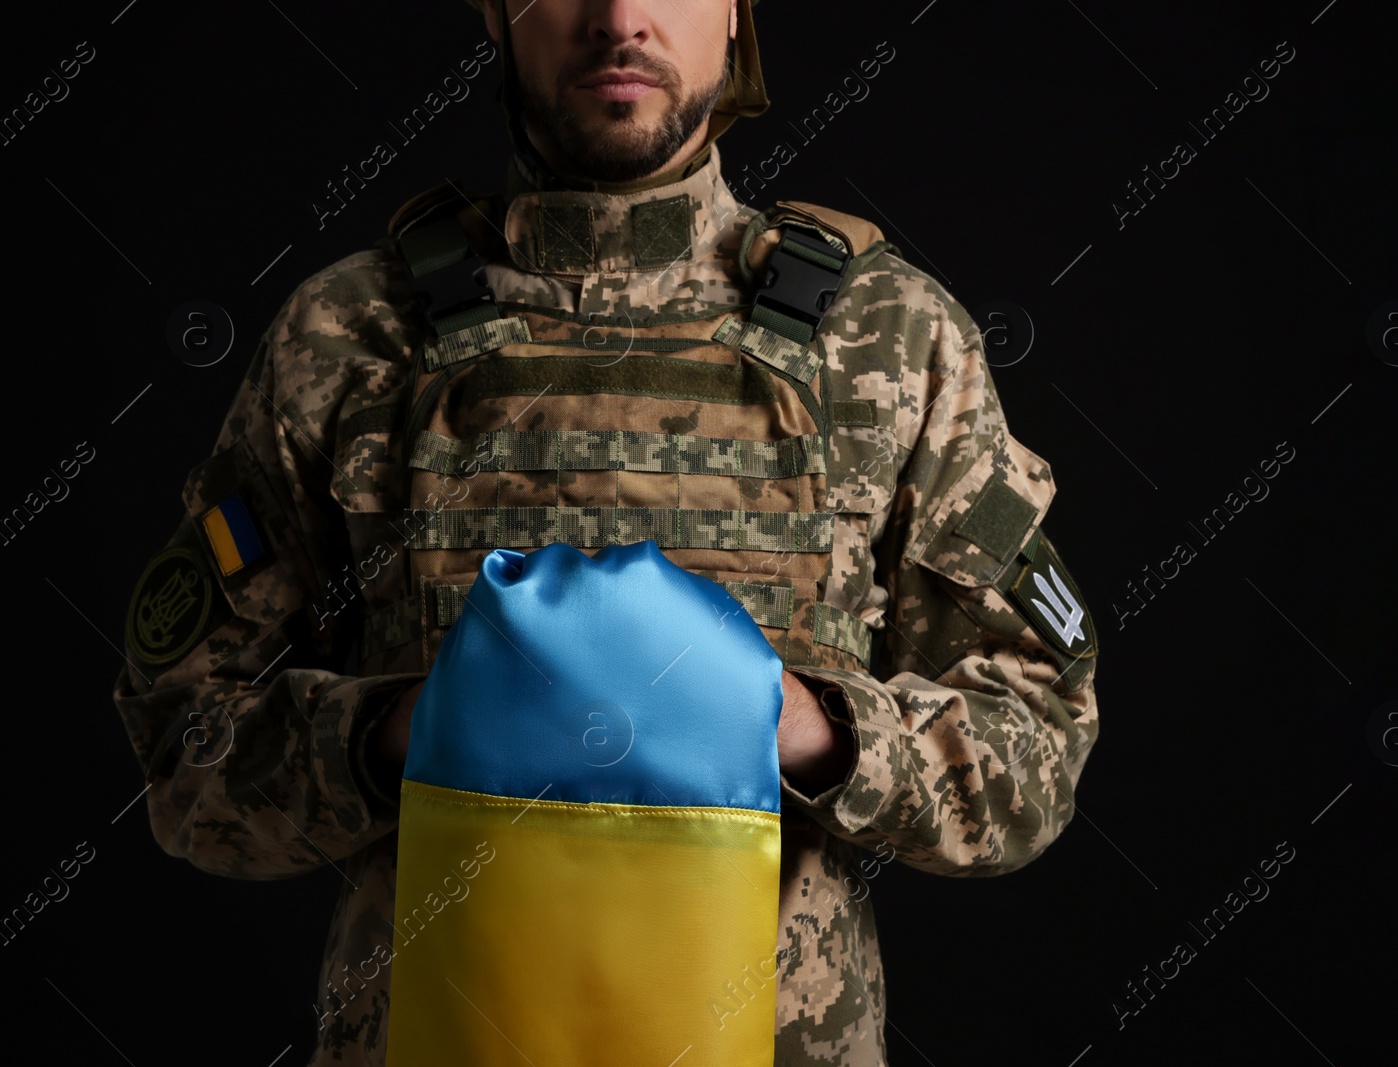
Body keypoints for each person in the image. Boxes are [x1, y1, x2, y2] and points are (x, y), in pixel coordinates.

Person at [111, 0, 1102, 1063]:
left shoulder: (891, 339)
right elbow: (184, 753)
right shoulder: (348, 334)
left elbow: (1036, 750)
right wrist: (399, 732)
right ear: (495, 15)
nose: (620, 18)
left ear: (734, 14)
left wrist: (810, 729)